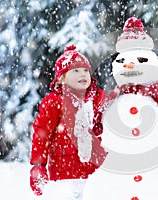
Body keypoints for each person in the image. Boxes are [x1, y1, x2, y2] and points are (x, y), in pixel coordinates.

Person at [29, 44, 107, 200]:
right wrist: (38, 166)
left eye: (86, 70)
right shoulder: (54, 101)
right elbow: (42, 135)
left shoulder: (98, 98)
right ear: (62, 77)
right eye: (76, 70)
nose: (83, 74)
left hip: (95, 174)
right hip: (65, 175)